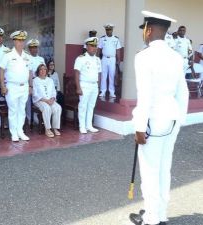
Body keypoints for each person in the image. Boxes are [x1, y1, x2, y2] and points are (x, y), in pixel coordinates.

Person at [129, 11, 189, 225]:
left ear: (149, 30)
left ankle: (152, 219)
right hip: (171, 119)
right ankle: (160, 212)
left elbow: (144, 95)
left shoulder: (143, 57)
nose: (143, 34)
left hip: (153, 121)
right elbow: (183, 93)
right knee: (164, 167)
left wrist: (139, 126)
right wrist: (180, 118)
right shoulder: (176, 56)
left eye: (144, 29)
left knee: (150, 170)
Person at [0, 30, 33, 142]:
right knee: (13, 110)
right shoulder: (8, 55)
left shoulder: (27, 56)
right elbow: (1, 70)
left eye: (23, 40)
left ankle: (20, 131)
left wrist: (30, 86)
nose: (21, 42)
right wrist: (2, 86)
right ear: (14, 41)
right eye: (19, 40)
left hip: (24, 86)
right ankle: (13, 133)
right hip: (12, 87)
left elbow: (30, 72)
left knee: (22, 110)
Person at [74, 37, 101, 134]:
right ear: (87, 47)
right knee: (83, 106)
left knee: (91, 106)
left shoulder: (98, 59)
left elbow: (99, 73)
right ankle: (82, 126)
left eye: (95, 46)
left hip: (94, 86)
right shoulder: (81, 58)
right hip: (84, 85)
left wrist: (98, 87)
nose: (94, 48)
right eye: (92, 46)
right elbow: (76, 73)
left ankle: (89, 125)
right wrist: (78, 87)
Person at [33, 64, 62, 137]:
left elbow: (53, 91)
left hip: (50, 100)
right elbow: (35, 94)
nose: (43, 71)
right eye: (41, 69)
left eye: (44, 69)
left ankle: (55, 128)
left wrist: (52, 99)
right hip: (40, 100)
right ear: (38, 71)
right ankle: (47, 129)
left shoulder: (50, 80)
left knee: (57, 108)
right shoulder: (35, 80)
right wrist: (46, 100)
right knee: (47, 108)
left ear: (46, 71)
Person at [98, 24, 121, 98]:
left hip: (112, 59)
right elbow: (99, 49)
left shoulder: (116, 39)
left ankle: (112, 91)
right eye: (107, 30)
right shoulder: (102, 39)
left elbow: (118, 50)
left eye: (110, 30)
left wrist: (118, 60)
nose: (108, 31)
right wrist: (98, 58)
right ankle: (103, 91)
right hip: (104, 58)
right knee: (103, 75)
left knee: (112, 75)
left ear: (112, 30)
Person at [26, 39, 45, 125]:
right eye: (33, 48)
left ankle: (36, 117)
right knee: (29, 101)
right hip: (30, 81)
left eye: (36, 47)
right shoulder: (26, 58)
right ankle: (29, 118)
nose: (35, 49)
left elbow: (44, 70)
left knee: (38, 99)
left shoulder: (41, 59)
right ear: (29, 49)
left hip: (39, 82)